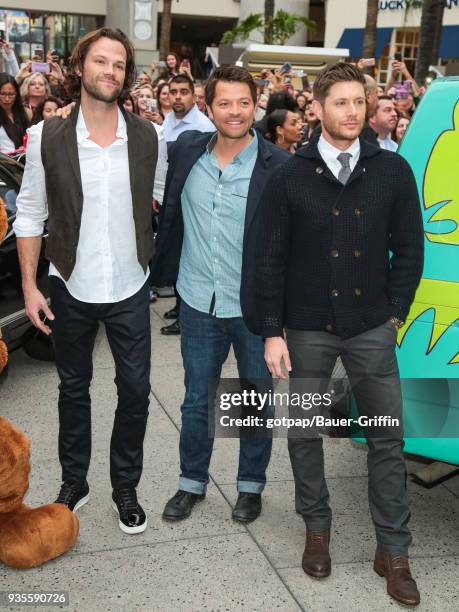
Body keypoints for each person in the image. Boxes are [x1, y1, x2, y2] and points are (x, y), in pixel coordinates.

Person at [247, 62, 424, 607]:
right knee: (304, 433)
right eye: (340, 102)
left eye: (359, 101)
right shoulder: (287, 175)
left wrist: (393, 314)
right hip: (304, 328)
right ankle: (316, 528)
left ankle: (393, 550)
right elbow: (268, 259)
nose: (352, 112)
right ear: (316, 109)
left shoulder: (392, 172)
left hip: (371, 328)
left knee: (386, 438)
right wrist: (271, 332)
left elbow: (411, 251)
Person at [13, 27, 159, 535]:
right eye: (101, 61)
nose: (110, 72)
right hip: (69, 284)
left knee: (136, 391)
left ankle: (125, 485)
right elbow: (29, 214)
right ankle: (75, 480)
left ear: (126, 75)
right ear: (79, 68)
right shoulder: (45, 136)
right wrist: (31, 287)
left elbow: (159, 199)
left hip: (129, 286)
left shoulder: (146, 136)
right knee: (73, 389)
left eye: (119, 65)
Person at [151, 66, 290, 523]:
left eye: (243, 102)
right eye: (224, 103)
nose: (234, 112)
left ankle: (250, 486)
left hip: (254, 308)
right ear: (206, 107)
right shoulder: (186, 150)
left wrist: (281, 322)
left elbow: (293, 245)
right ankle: (191, 481)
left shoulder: (280, 167)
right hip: (196, 300)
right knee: (197, 398)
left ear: (256, 106)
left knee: (254, 398)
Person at [160, 73, 216, 329]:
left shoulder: (205, 127)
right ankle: (179, 304)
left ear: (194, 96)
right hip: (170, 198)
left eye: (183, 92)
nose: (178, 97)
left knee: (188, 256)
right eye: (173, 92)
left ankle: (187, 313)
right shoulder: (167, 123)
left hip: (192, 203)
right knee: (174, 253)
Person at [0, 73, 29, 154]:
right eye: (2, 94)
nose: (7, 99)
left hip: (22, 162)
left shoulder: (25, 113)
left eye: (11, 94)